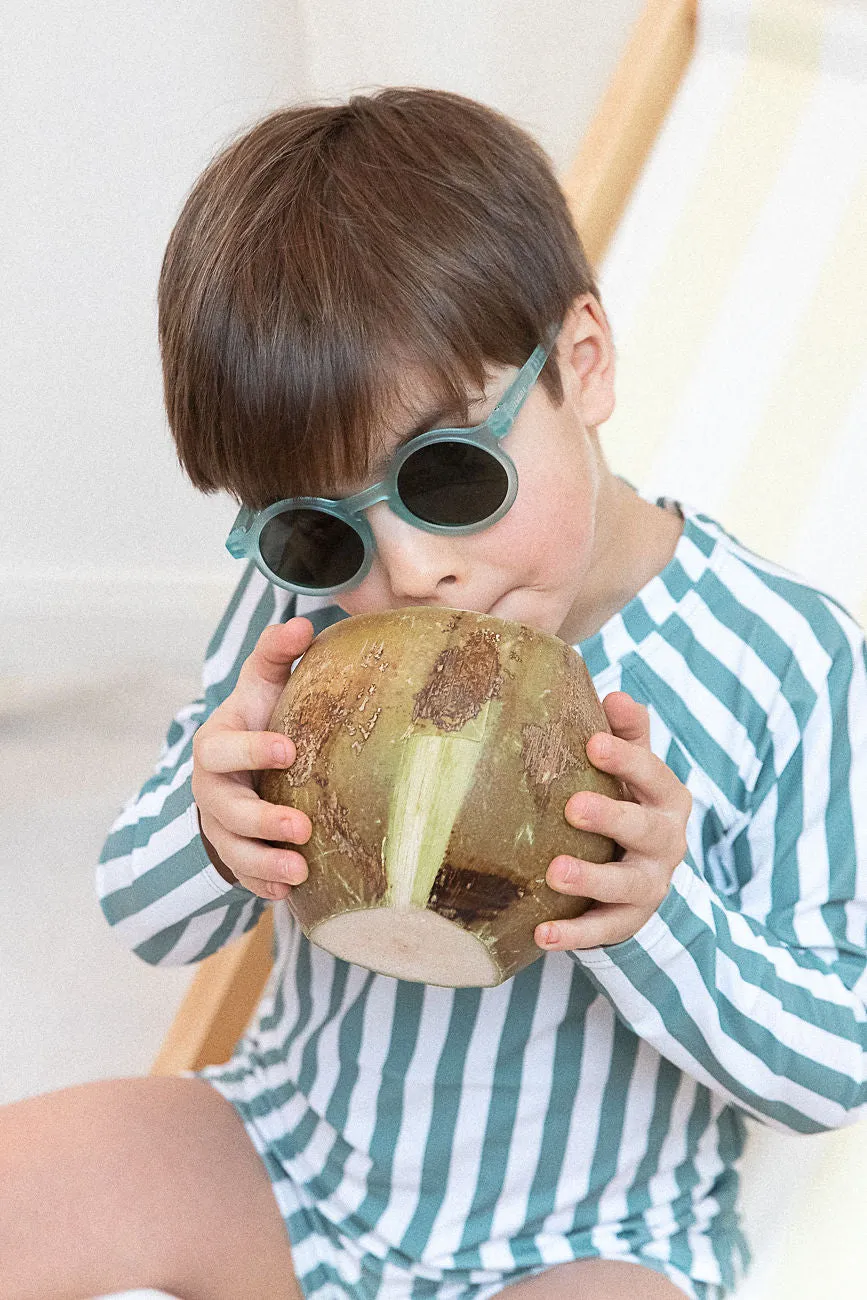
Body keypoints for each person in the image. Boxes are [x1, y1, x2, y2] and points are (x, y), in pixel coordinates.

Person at [3, 87, 866, 1300]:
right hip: (295, 1160)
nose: (411, 573)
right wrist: (212, 823)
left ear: (584, 362)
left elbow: (832, 1066)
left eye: (447, 473)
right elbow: (148, 923)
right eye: (320, 529)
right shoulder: (311, 615)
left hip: (587, 1237)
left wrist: (658, 910)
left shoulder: (787, 659)